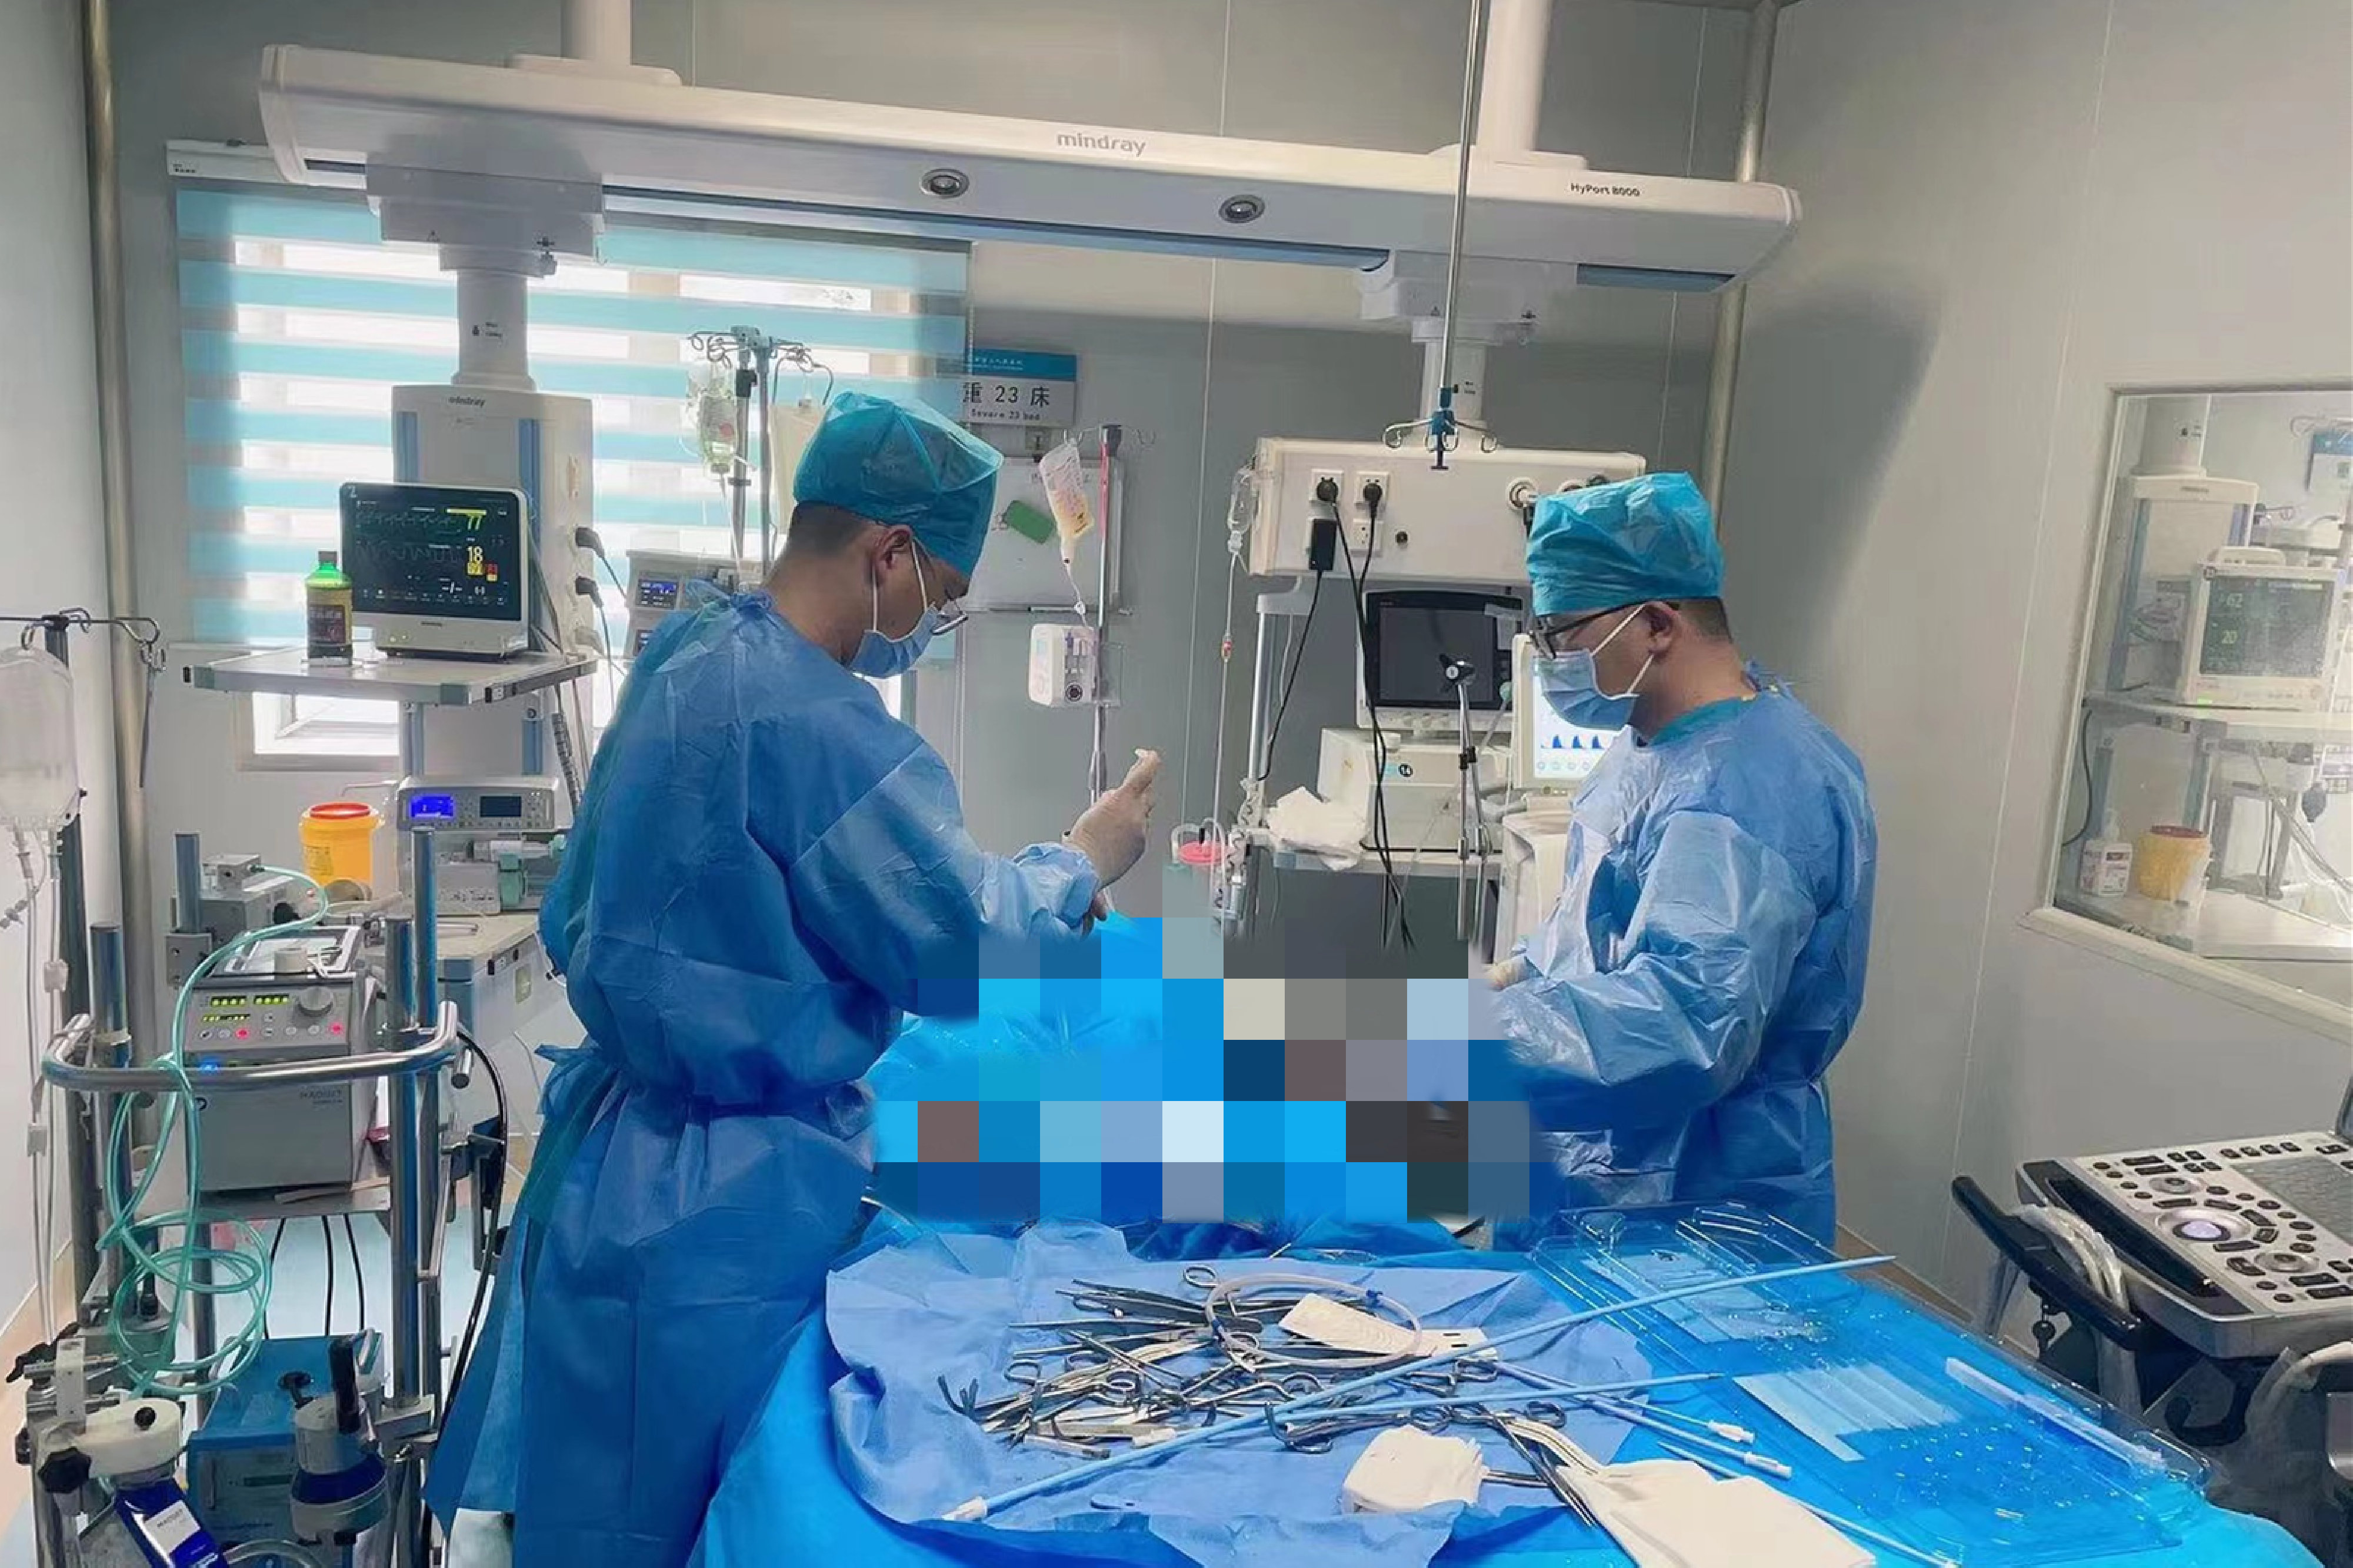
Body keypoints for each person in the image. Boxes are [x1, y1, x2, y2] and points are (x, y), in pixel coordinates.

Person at [435, 391, 1159, 1568]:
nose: (936, 620)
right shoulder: (818, 726)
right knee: (716, 1504)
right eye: (944, 591)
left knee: (606, 1497)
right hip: (727, 1205)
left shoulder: (682, 656)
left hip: (611, 1162)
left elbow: (580, 909)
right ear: (890, 553)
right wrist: (1083, 859)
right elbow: (963, 940)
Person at [1485, 472, 1875, 1243]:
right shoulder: (1647, 748)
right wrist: (1515, 975)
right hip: (1592, 1171)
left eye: (1563, 635)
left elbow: (1687, 1024)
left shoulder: (1754, 788)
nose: (1550, 659)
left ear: (1658, 625)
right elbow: (1602, 930)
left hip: (1699, 1207)